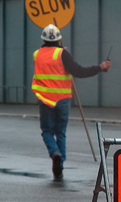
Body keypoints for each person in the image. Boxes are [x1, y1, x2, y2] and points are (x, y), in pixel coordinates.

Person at [31, 24, 111, 179]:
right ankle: (60, 164)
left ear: (43, 39)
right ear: (59, 39)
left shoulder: (36, 54)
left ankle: (55, 153)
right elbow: (79, 71)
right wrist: (99, 68)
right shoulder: (63, 54)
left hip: (45, 99)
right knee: (61, 132)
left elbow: (48, 61)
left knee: (47, 131)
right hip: (63, 100)